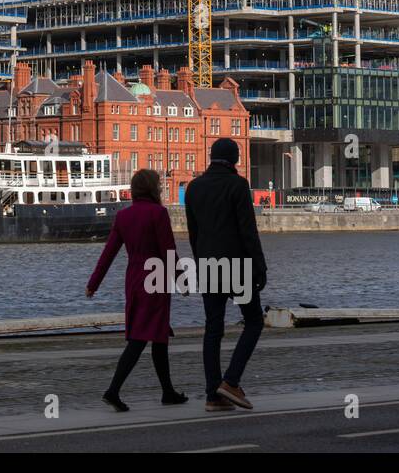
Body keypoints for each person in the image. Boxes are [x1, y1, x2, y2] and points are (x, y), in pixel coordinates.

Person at [85, 168, 188, 411]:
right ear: (153, 188)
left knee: (158, 336)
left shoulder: (123, 216)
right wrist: (181, 280)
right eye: (159, 185)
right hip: (156, 280)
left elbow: (108, 254)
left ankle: (167, 392)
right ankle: (113, 390)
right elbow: (168, 251)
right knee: (141, 338)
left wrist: (93, 284)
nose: (162, 188)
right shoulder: (158, 214)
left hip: (133, 281)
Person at [184, 137, 267, 412]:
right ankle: (231, 381)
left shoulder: (194, 188)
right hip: (237, 264)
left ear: (211, 157)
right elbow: (247, 231)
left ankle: (212, 395)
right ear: (234, 159)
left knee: (213, 329)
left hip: (208, 264)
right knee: (254, 321)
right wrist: (260, 267)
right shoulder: (238, 185)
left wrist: (200, 264)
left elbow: (194, 235)